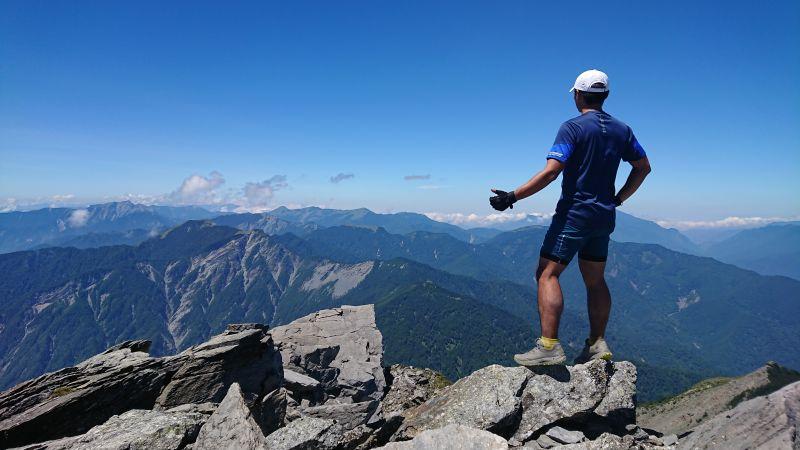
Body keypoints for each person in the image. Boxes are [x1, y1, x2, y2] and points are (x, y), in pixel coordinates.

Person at [489, 69, 651, 366]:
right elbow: (643, 167)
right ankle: (597, 343)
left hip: (574, 215)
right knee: (595, 280)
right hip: (604, 216)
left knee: (547, 274)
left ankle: (548, 346)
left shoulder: (572, 128)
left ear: (577, 95)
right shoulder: (622, 130)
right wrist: (618, 199)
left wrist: (512, 197)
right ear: (605, 95)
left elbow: (552, 171)